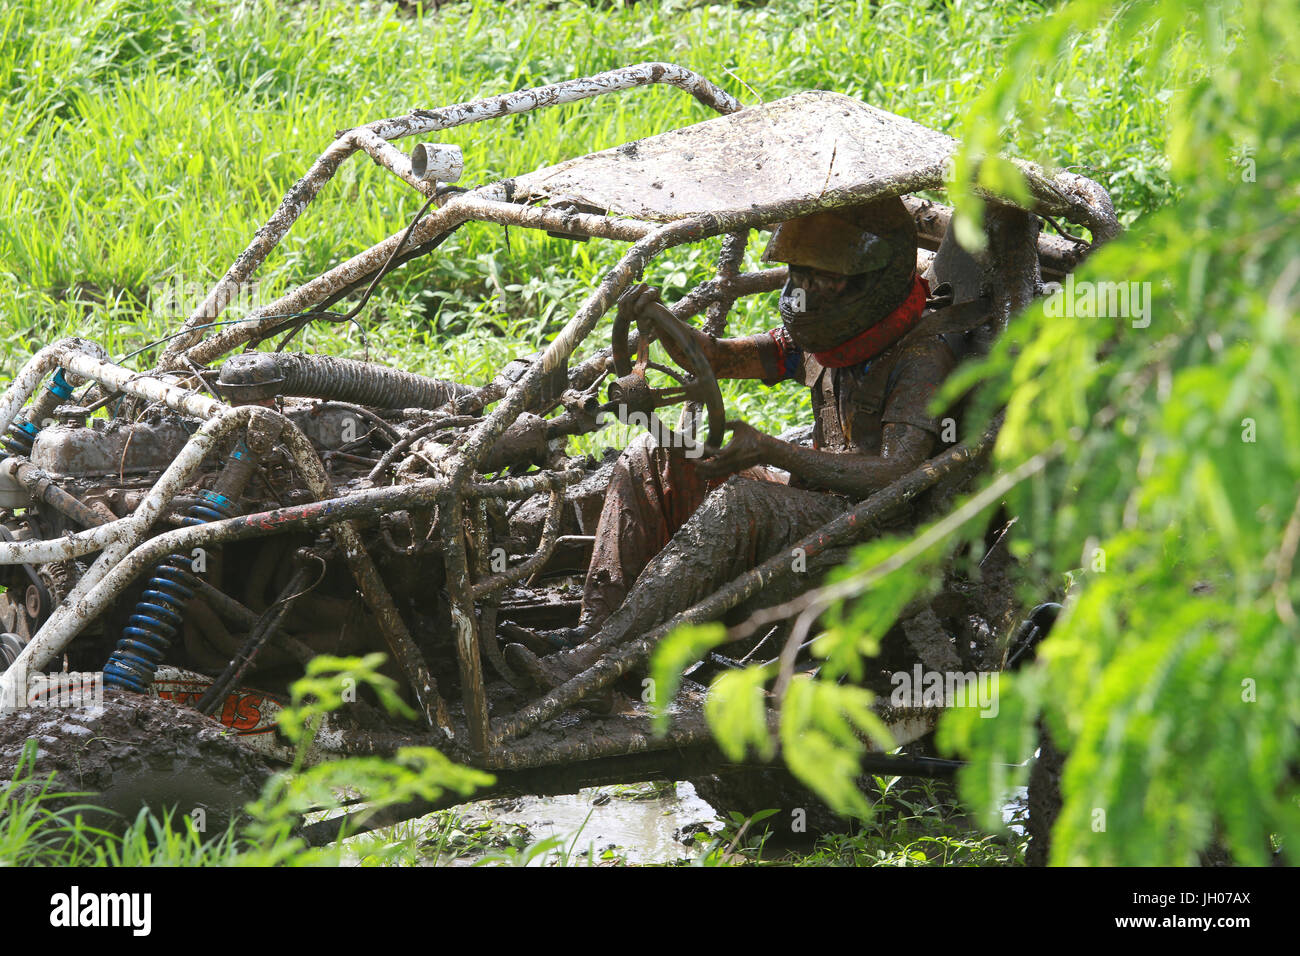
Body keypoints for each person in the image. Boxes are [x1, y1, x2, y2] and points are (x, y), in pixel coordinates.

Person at [504, 196, 960, 692]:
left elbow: (896, 473)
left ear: (874, 279)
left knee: (742, 502)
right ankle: (597, 630)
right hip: (815, 511)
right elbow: (719, 359)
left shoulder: (921, 355)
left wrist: (772, 450)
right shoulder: (826, 339)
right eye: (799, 273)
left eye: (822, 278)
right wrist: (667, 327)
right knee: (653, 455)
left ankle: (594, 665)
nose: (804, 292)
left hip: (875, 536)